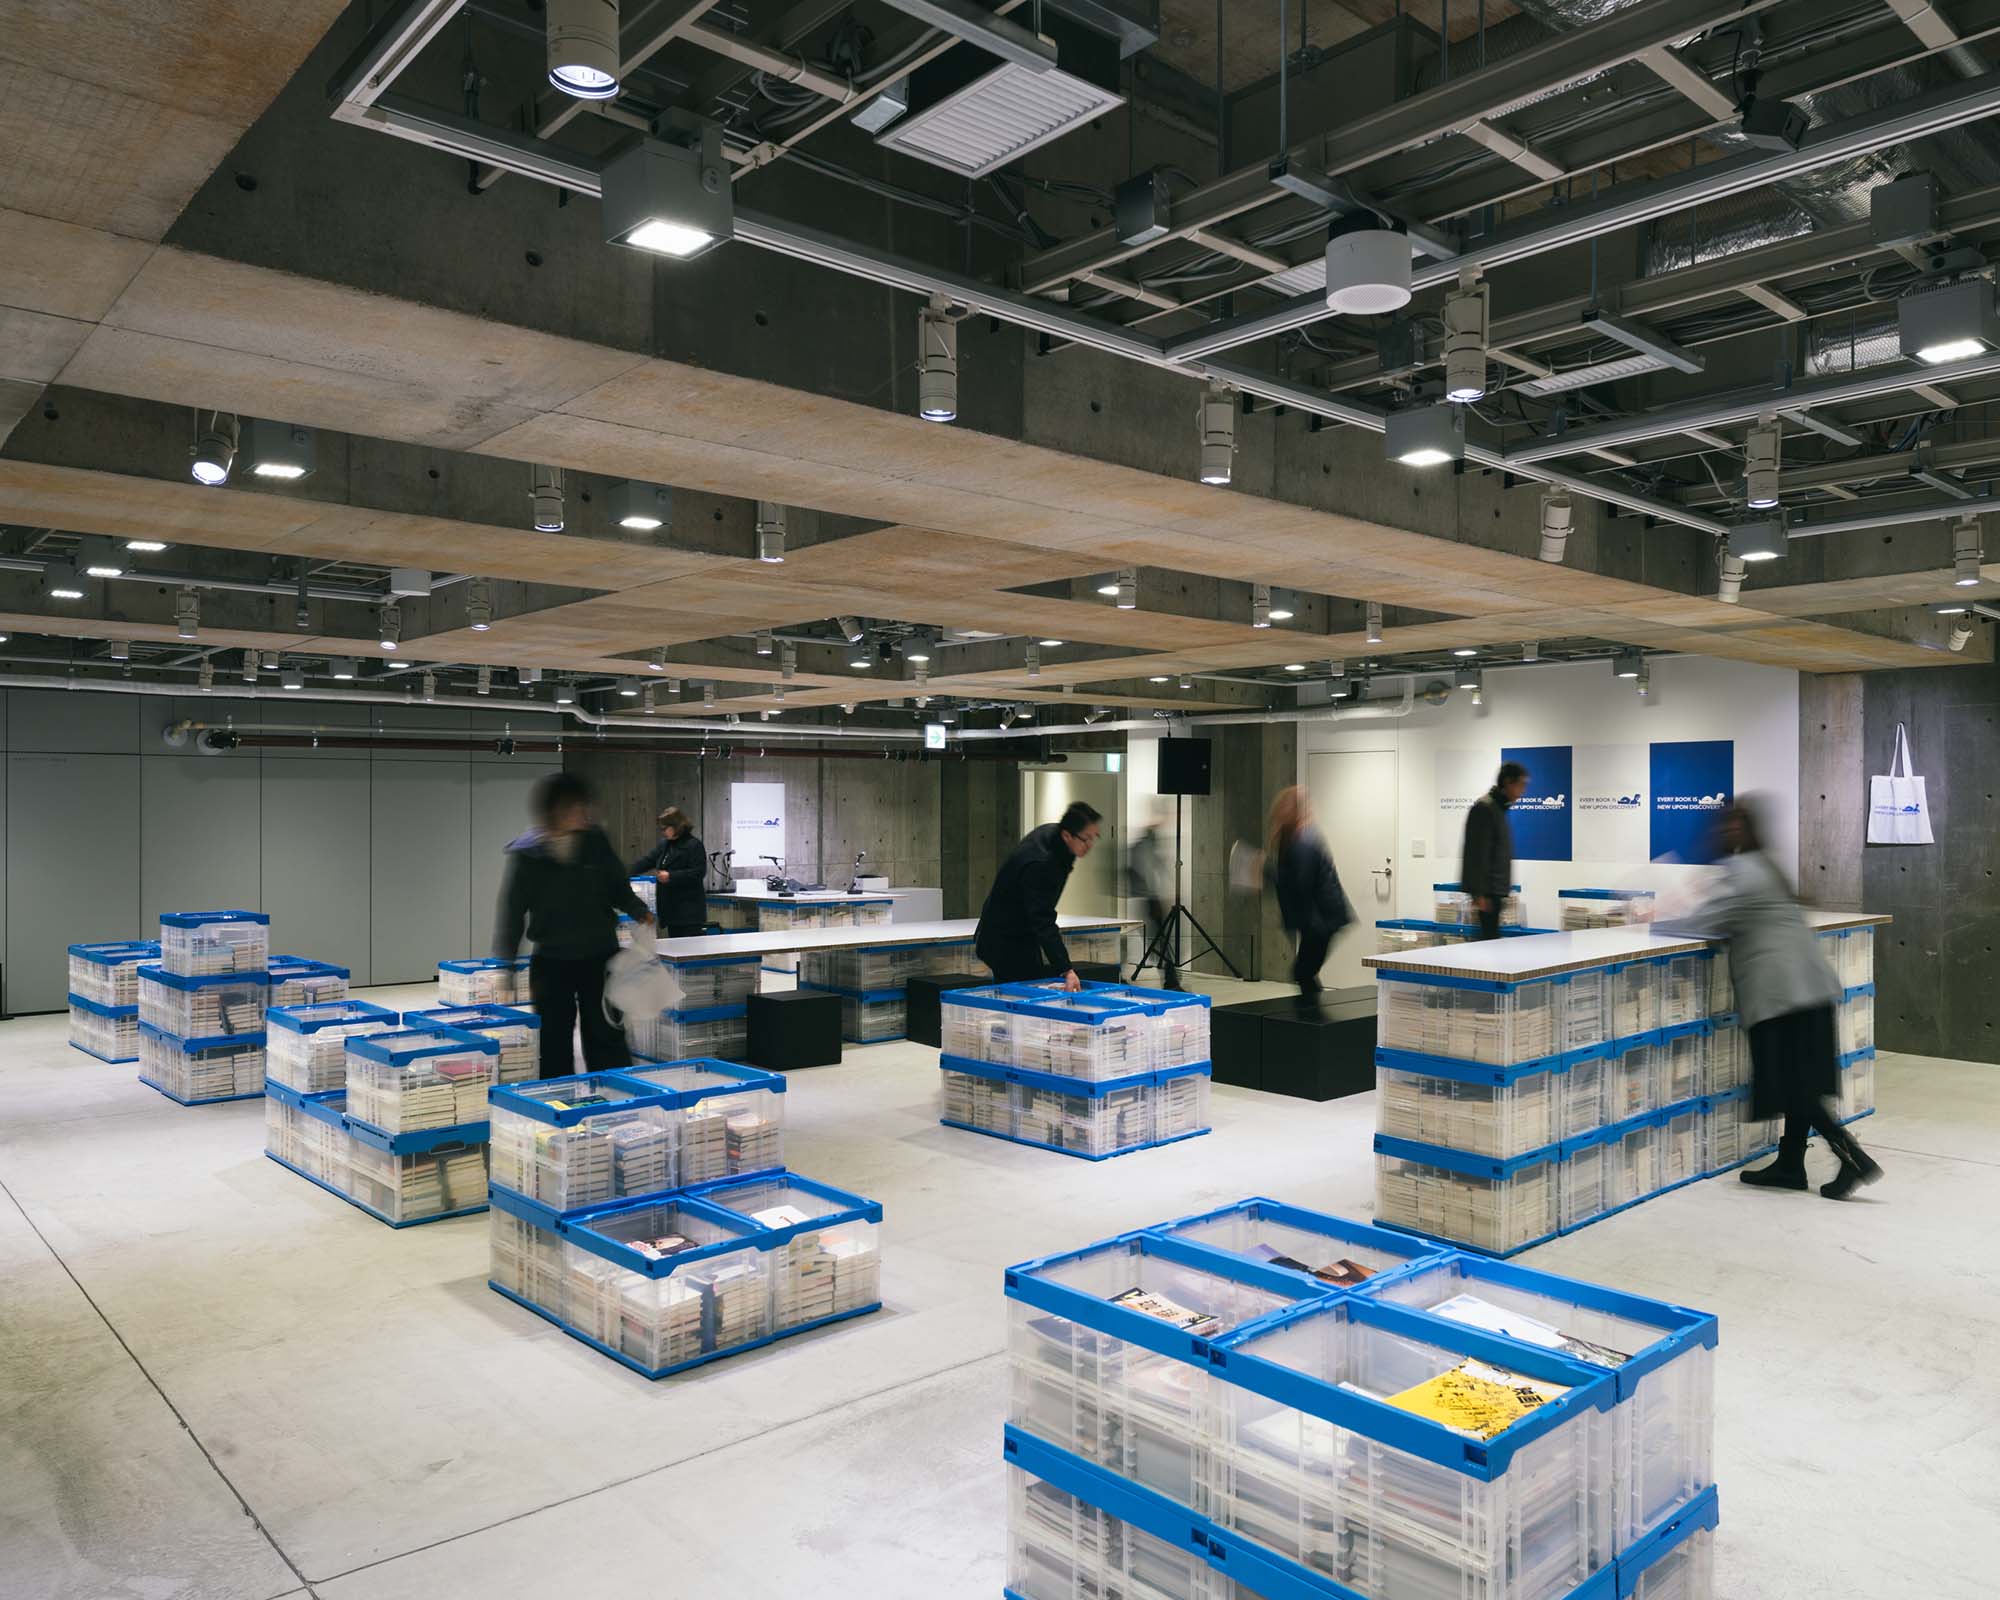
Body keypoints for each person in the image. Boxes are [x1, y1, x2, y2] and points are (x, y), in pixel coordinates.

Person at [1678, 798, 1882, 1200]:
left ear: (1739, 829)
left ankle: (1854, 1159)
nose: (1721, 833)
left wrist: (1668, 916)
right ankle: (1790, 1165)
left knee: (1793, 1087)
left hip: (1779, 993)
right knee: (1800, 1082)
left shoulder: (1741, 870)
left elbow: (1709, 921)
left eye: (1727, 826)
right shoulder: (1766, 865)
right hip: (1809, 987)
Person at [495, 771, 653, 1079]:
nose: (583, 814)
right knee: (553, 1040)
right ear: (553, 812)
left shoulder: (594, 841)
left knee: (607, 1033)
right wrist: (506, 966)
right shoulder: (528, 854)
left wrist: (638, 910)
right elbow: (512, 912)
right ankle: (560, 1107)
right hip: (553, 962)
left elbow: (616, 886)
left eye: (584, 806)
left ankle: (615, 1099)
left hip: (600, 956)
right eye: (573, 808)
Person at [975, 801, 1102, 988]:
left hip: (1019, 933)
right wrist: (1066, 969)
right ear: (1067, 835)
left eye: (1095, 837)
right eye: (1086, 839)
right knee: (1021, 997)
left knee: (1030, 985)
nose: (1090, 845)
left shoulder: (1055, 838)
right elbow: (1042, 919)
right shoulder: (1042, 863)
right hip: (1004, 938)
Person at [1265, 786, 1351, 1005]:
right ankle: (1312, 1020)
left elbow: (1300, 882)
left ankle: (1314, 1022)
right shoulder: (1298, 837)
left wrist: (1266, 873)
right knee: (1304, 972)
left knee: (1303, 972)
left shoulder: (1304, 840)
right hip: (1318, 919)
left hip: (1321, 920)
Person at [1461, 761, 1527, 941]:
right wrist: (1479, 894)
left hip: (1496, 892)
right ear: (1507, 782)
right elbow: (1477, 854)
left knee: (1490, 944)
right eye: (1521, 785)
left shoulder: (1499, 809)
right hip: (1487, 895)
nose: (1523, 791)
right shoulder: (1485, 808)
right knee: (1486, 945)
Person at [629, 805, 707, 938]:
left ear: (676, 826)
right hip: (672, 912)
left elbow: (699, 872)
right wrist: (623, 872)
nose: (663, 832)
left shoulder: (693, 845)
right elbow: (647, 861)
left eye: (665, 828)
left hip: (689, 914)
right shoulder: (665, 844)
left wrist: (671, 876)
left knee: (687, 952)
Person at [1127, 807, 1180, 990]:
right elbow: (1147, 871)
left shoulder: (1148, 843)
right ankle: (1170, 978)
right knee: (1159, 939)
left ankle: (1169, 976)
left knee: (1160, 939)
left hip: (1151, 897)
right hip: (1150, 899)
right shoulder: (1144, 844)